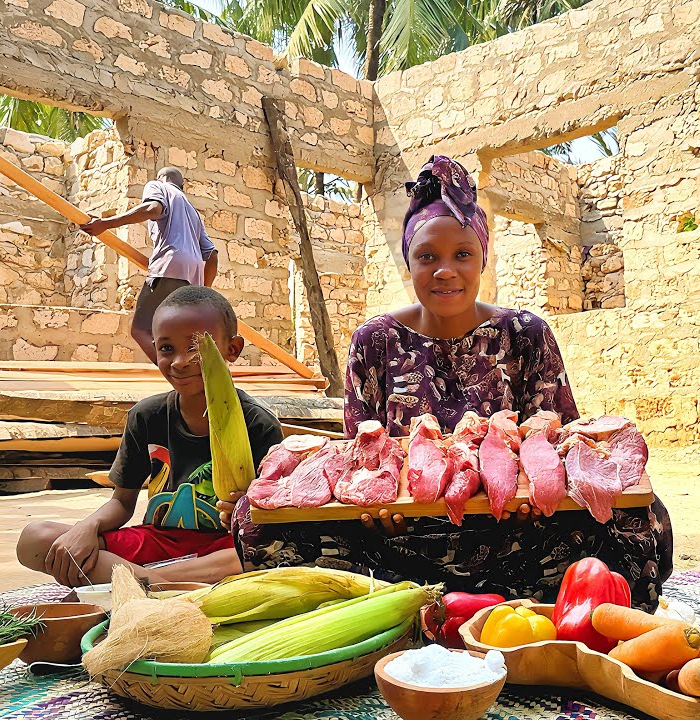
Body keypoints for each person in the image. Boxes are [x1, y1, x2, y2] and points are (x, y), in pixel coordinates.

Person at [230, 155, 673, 607]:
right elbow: (357, 457)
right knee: (257, 519)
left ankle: (566, 616)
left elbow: (559, 445)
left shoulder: (525, 335)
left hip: (519, 537)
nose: (446, 270)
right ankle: (381, 612)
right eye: (427, 257)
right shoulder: (375, 342)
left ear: (483, 259)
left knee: (642, 518)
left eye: (463, 254)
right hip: (404, 540)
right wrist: (376, 516)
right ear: (408, 262)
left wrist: (528, 502)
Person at [16, 286, 283, 586]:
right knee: (35, 540)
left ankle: (140, 583)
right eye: (167, 349)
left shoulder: (258, 424)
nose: (180, 362)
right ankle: (156, 584)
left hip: (222, 549)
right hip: (157, 544)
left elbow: (267, 523)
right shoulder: (146, 416)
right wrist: (87, 526)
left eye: (196, 347)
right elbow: (122, 503)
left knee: (264, 555)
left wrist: (241, 512)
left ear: (232, 349)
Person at [79, 167, 218, 363]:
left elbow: (153, 209)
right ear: (182, 186)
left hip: (169, 264)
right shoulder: (193, 212)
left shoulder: (157, 186)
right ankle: (191, 372)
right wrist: (203, 290)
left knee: (140, 329)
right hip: (192, 276)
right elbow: (212, 255)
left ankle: (176, 373)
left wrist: (106, 224)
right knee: (179, 333)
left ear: (161, 179)